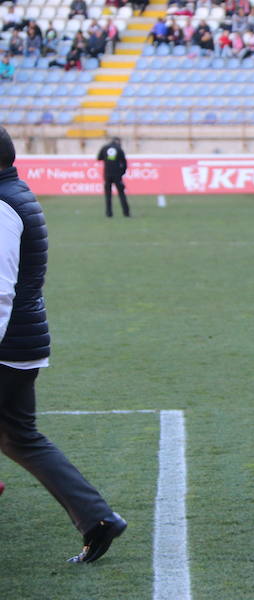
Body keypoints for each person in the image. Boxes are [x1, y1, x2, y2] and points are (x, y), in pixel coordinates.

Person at [0, 127, 127, 563]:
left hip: (8, 343)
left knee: (20, 437)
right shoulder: (15, 194)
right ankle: (98, 518)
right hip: (22, 340)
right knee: (20, 438)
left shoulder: (3, 205)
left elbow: (0, 289)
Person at [96, 137, 130, 218]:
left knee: (108, 195)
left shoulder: (105, 148)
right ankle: (126, 213)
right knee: (121, 194)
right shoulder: (119, 149)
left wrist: (108, 159)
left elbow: (99, 158)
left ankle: (109, 213)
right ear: (118, 141)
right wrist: (122, 172)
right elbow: (124, 163)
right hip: (117, 175)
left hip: (107, 174)